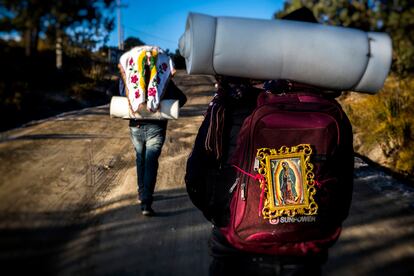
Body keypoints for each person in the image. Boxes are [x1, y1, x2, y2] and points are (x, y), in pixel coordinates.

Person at [119, 47, 187, 216]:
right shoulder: (162, 79)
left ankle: (142, 193)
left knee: (140, 158)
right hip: (157, 127)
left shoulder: (130, 77)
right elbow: (182, 99)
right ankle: (146, 203)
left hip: (136, 125)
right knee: (151, 162)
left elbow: (118, 93)